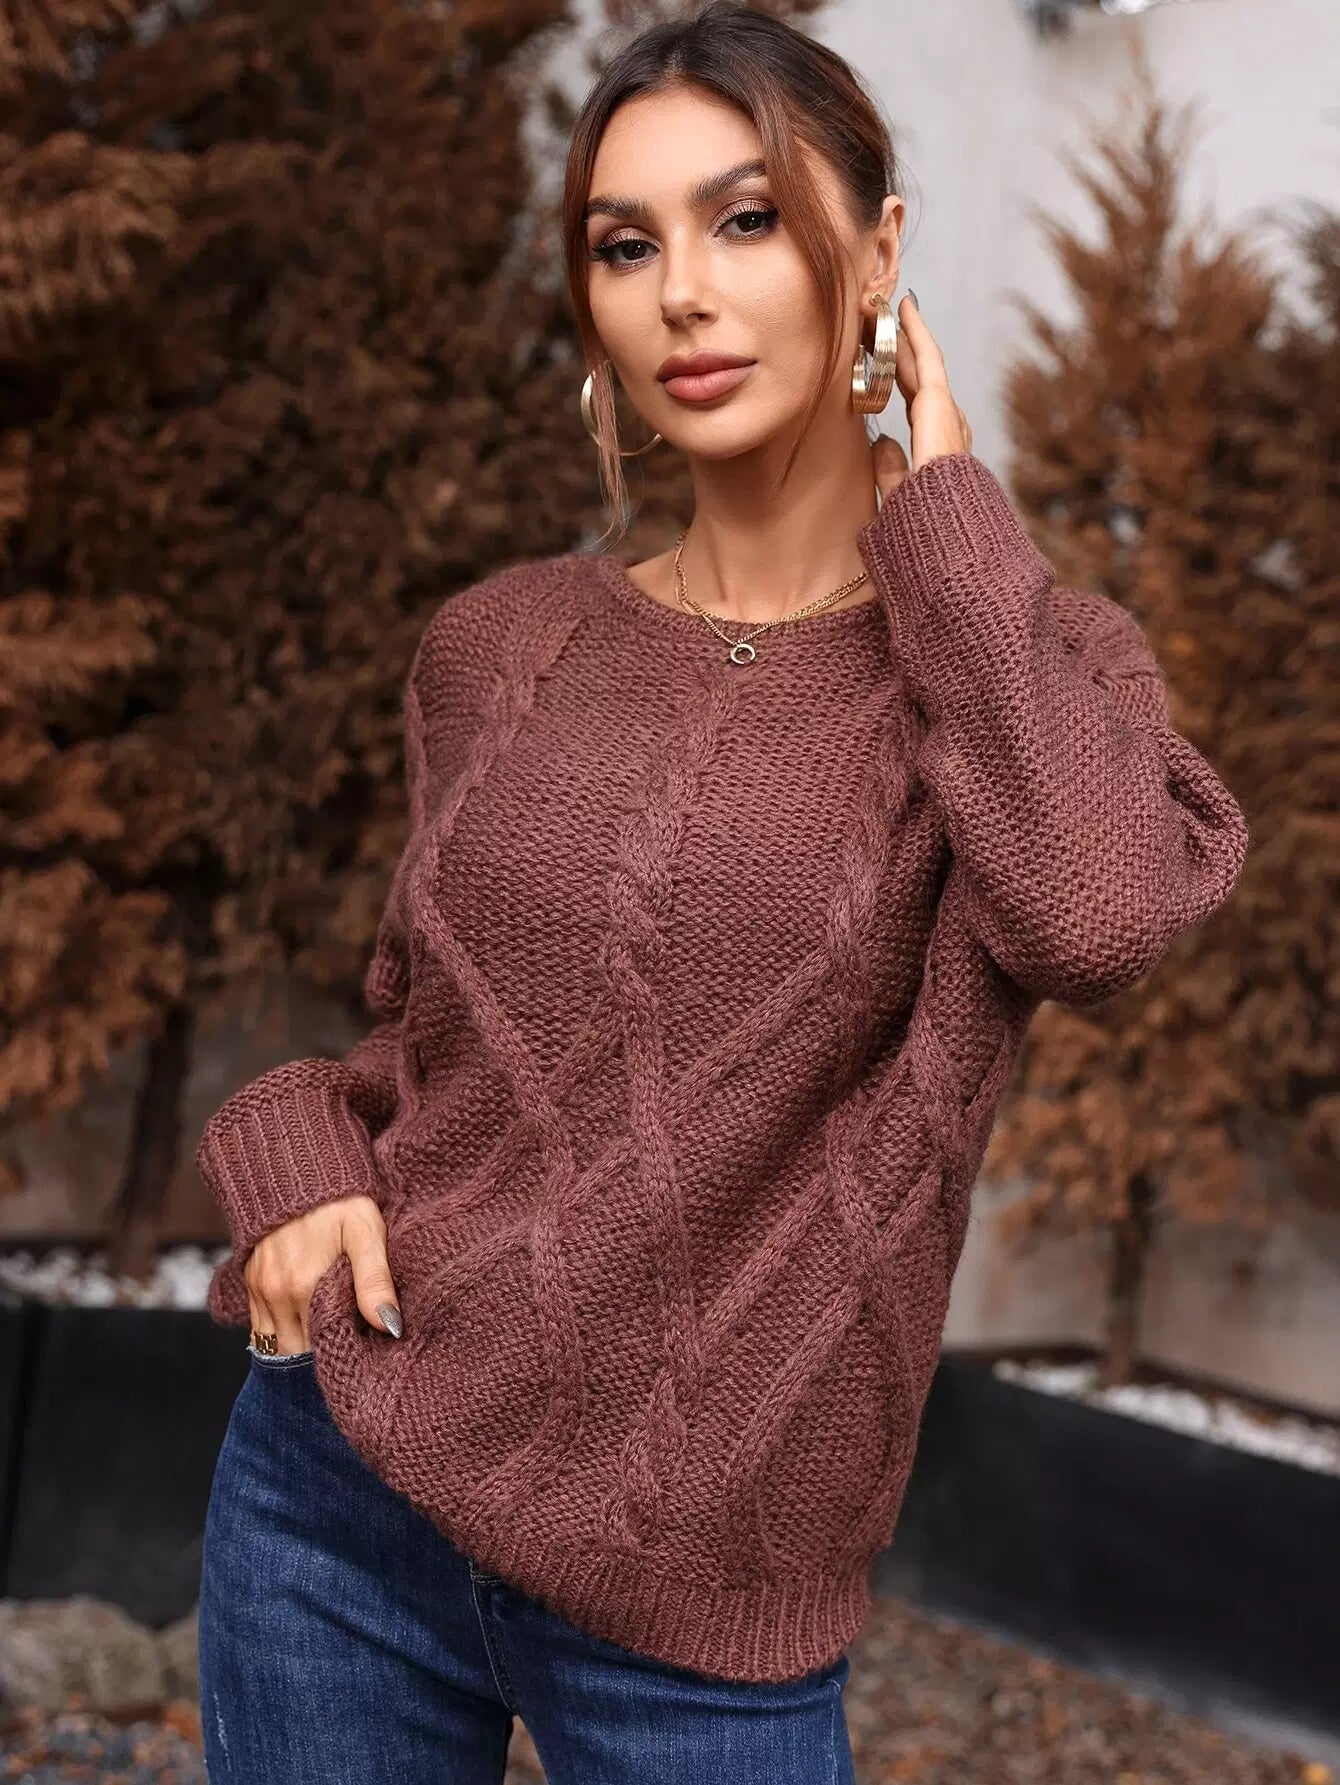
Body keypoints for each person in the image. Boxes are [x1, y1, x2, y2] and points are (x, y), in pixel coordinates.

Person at [194, 4, 1250, 1781]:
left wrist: (946, 519)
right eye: (627, 245)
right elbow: (417, 1049)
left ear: (879, 255)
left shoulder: (1025, 670)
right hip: (338, 1508)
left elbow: (1097, 917)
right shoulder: (500, 644)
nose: (682, 291)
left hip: (706, 1622)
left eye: (746, 219)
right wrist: (296, 1167)